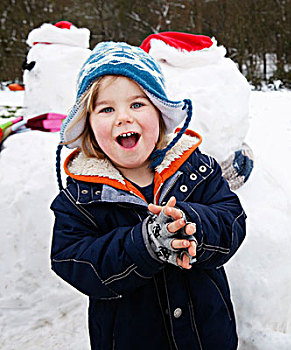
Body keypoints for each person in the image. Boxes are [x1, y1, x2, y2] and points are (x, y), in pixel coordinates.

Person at [50, 41, 246, 350]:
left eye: (137, 104)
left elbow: (232, 221)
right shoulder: (80, 199)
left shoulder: (196, 170)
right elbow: (73, 260)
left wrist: (193, 224)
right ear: (88, 124)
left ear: (160, 113)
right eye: (106, 109)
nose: (123, 117)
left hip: (206, 337)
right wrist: (144, 245)